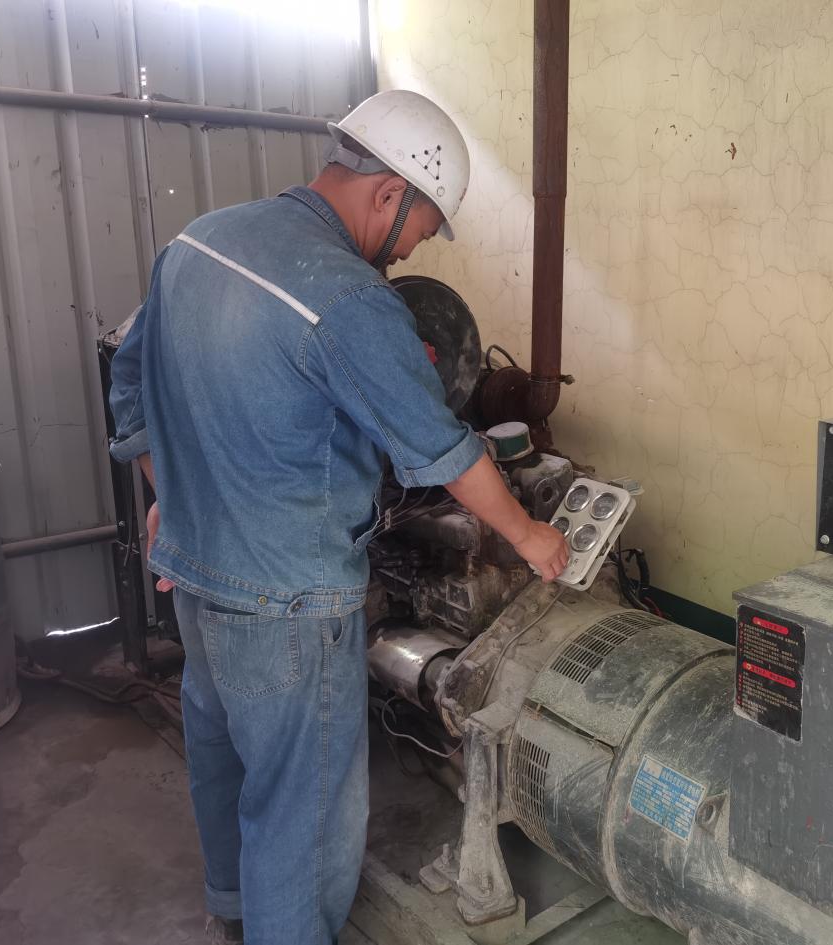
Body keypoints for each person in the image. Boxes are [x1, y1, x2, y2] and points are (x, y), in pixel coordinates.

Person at [107, 90, 568, 945]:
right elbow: (444, 448)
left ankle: (232, 915)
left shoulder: (196, 241)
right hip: (288, 600)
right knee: (303, 818)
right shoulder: (348, 297)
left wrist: (172, 486)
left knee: (224, 759)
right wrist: (529, 533)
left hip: (195, 578)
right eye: (424, 227)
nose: (417, 248)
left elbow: (131, 383)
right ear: (389, 193)